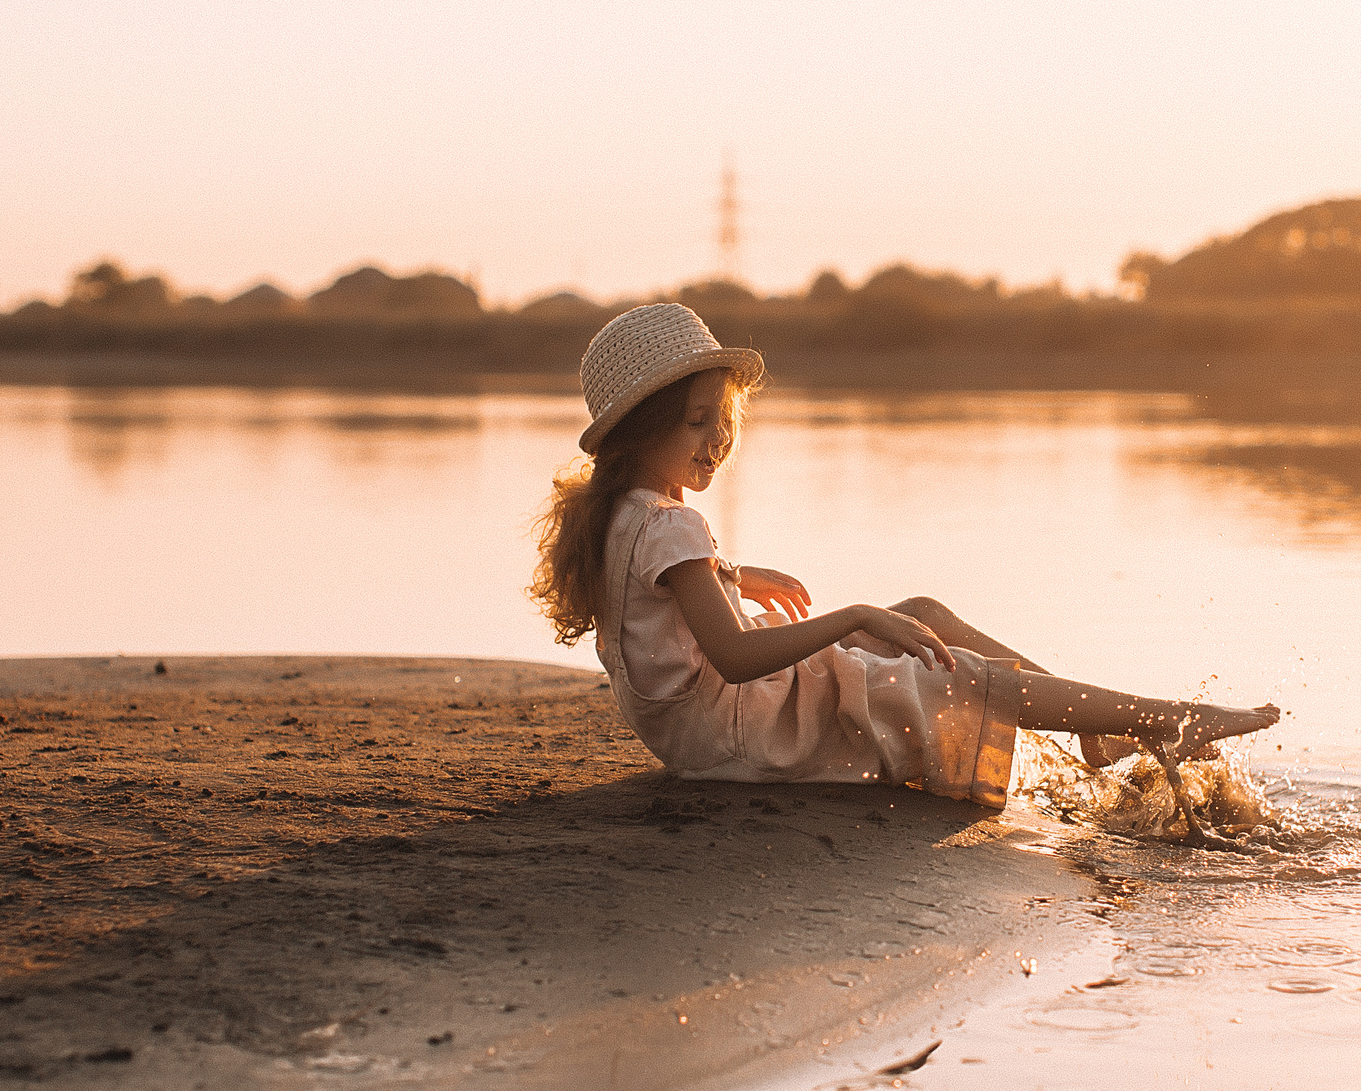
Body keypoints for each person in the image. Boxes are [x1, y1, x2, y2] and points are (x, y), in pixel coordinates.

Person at [529, 303, 1278, 813]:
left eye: (721, 422)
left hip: (694, 734)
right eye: (696, 423)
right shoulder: (672, 529)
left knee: (919, 617)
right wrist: (850, 616)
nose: (715, 442)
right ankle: (1164, 718)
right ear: (642, 428)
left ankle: (1090, 720)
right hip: (738, 734)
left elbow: (658, 602)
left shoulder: (622, 514)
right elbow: (734, 655)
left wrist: (734, 575)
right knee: (939, 669)